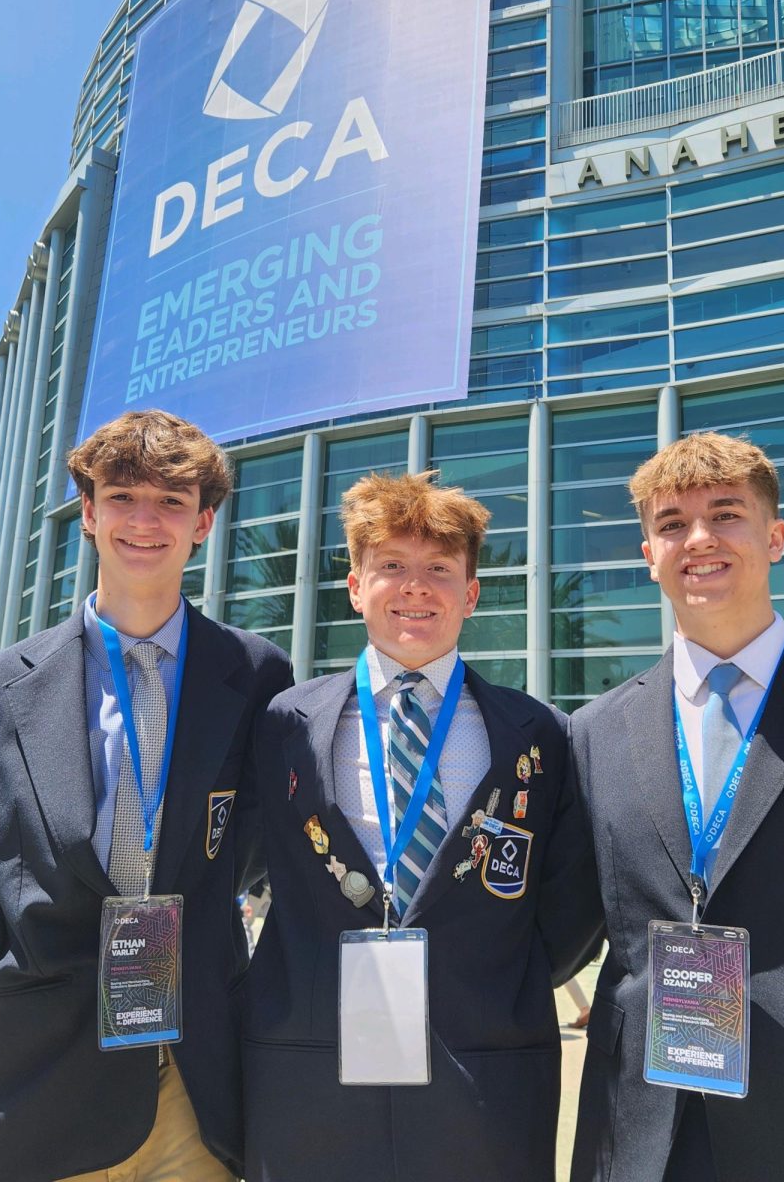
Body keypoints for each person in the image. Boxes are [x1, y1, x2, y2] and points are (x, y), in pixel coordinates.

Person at [0, 410, 292, 1182]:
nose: (145, 520)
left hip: (191, 1077)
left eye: (172, 502)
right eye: (123, 496)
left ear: (204, 522)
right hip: (32, 1081)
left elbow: (253, 852)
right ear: (89, 513)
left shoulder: (258, 676)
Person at [241, 470, 603, 1182]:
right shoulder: (285, 723)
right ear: (354, 586)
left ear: (470, 593)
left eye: (439, 569)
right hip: (312, 1077)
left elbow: (570, 902)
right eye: (392, 567)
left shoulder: (537, 733)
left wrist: (491, 978)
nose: (416, 586)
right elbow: (238, 859)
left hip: (483, 1077)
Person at [569, 432, 784, 1182]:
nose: (698, 539)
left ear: (776, 536)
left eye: (726, 514)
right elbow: (561, 925)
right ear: (648, 553)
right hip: (641, 1117)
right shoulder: (595, 732)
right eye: (671, 524)